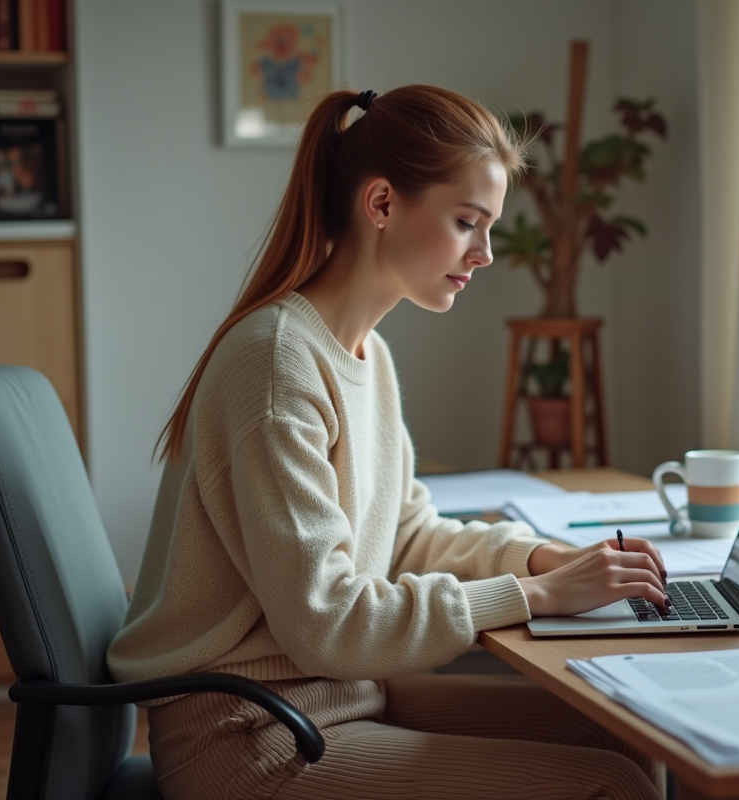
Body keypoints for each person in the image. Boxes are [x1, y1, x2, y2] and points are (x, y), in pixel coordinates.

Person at [107, 84, 669, 800]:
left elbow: (405, 537)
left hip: (339, 697)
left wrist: (542, 558)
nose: (486, 252)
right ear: (381, 205)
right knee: (609, 785)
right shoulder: (277, 363)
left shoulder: (367, 353)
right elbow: (326, 622)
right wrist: (536, 594)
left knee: (626, 731)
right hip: (248, 736)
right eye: (469, 221)